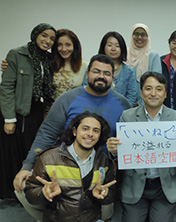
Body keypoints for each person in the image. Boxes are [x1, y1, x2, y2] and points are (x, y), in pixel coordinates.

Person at [12, 54, 131, 221]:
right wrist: (27, 165)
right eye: (96, 71)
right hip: (66, 166)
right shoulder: (68, 99)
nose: (101, 76)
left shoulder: (123, 103)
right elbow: (46, 133)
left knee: (103, 209)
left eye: (107, 73)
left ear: (112, 77)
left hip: (103, 169)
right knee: (25, 186)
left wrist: (117, 160)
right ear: (87, 73)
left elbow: (128, 140)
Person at [106, 71, 176, 222]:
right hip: (135, 186)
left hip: (164, 187)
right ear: (141, 93)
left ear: (165, 94)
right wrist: (114, 151)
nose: (153, 93)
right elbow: (121, 154)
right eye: (148, 88)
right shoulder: (127, 117)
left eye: (159, 89)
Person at [24, 111, 116, 222]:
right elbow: (30, 194)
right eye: (85, 129)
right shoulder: (48, 158)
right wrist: (43, 193)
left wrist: (104, 194)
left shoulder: (104, 161)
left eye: (96, 130)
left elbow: (110, 195)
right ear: (74, 131)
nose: (90, 134)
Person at [0, 23, 56, 199]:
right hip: (17, 111)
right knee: (12, 152)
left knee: (30, 150)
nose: (48, 41)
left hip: (37, 111)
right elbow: (7, 87)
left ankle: (26, 190)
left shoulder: (48, 59)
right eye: (44, 36)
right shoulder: (17, 54)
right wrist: (9, 119)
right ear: (36, 34)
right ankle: (10, 193)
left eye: (52, 38)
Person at [83, 31, 137, 106]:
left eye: (117, 46)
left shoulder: (129, 72)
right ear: (103, 46)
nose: (113, 49)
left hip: (121, 113)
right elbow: (85, 88)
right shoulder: (92, 67)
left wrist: (123, 111)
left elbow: (131, 97)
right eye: (109, 45)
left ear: (122, 48)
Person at [127, 23, 162, 106]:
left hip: (147, 103)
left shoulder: (153, 55)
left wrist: (140, 103)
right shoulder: (125, 54)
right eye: (136, 34)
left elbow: (157, 82)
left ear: (148, 37)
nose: (139, 37)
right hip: (126, 104)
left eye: (143, 34)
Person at [52, 29, 88, 100]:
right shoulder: (51, 65)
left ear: (75, 46)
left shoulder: (85, 67)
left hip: (76, 109)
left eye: (68, 45)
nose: (64, 49)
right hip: (53, 109)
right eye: (60, 45)